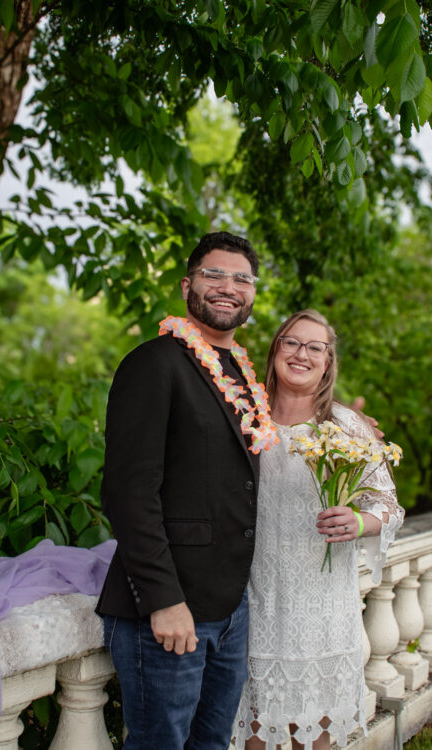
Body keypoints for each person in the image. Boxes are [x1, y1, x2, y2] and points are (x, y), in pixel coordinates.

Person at [96, 231, 280, 749]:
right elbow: (129, 492)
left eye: (242, 278)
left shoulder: (242, 374)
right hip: (170, 610)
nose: (228, 286)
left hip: (231, 608)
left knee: (211, 744)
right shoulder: (154, 363)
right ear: (186, 286)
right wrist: (164, 600)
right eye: (213, 274)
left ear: (253, 293)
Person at [232, 309, 404, 750]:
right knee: (253, 727)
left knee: (314, 731)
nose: (301, 354)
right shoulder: (242, 418)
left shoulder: (347, 427)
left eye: (315, 347)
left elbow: (387, 505)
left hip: (321, 603)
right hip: (253, 596)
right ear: (273, 352)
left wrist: (359, 521)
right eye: (291, 342)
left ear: (329, 362)